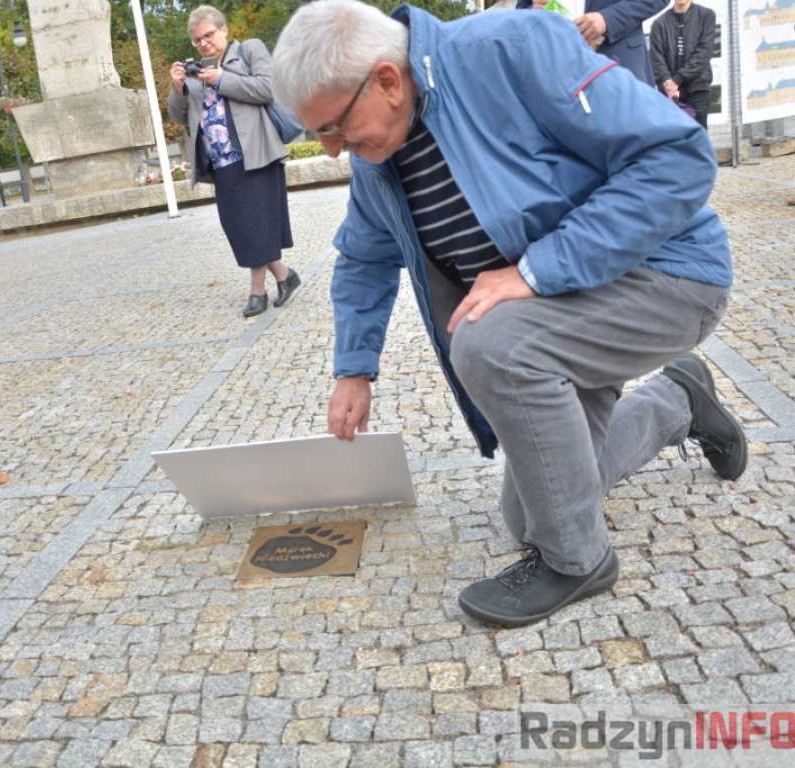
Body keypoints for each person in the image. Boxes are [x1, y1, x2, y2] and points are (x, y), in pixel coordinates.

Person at [273, 0, 747, 627]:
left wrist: (535, 270)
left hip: (668, 275)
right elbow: (363, 259)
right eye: (317, 136)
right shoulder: (376, 160)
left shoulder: (512, 48)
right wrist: (353, 369)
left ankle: (579, 561)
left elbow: (677, 159)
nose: (332, 151)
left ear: (387, 80)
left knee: (490, 342)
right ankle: (679, 403)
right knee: (532, 514)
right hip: (563, 316)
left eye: (333, 127)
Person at [167, 5, 300, 318]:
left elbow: (268, 88)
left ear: (223, 29)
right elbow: (178, 116)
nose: (204, 43)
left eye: (208, 35)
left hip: (255, 152)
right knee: (239, 226)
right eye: (197, 40)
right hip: (221, 160)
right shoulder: (197, 70)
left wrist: (222, 79)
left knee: (254, 223)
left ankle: (258, 291)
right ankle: (285, 276)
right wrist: (178, 89)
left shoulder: (249, 50)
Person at [517, 0, 668, 86]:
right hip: (555, 71)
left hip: (618, 64)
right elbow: (522, 10)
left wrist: (608, 19)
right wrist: (535, 9)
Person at [649, 0, 717, 129]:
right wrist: (668, 83)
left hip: (696, 91)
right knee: (671, 143)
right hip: (669, 95)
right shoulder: (659, 24)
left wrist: (677, 80)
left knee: (697, 143)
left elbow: (703, 53)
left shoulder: (706, 15)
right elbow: (657, 59)